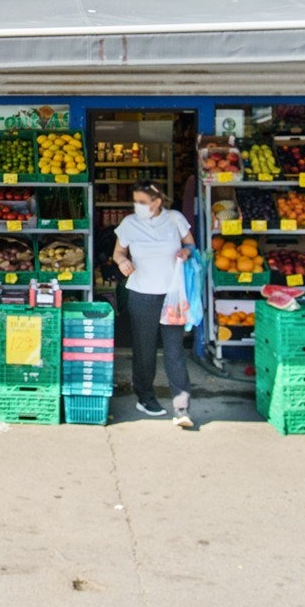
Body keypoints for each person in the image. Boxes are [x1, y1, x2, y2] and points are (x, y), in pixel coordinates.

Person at [112, 181, 195, 428]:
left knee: (174, 351)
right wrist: (121, 262)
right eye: (135, 202)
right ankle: (145, 398)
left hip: (173, 295)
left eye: (143, 202)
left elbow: (190, 244)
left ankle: (182, 408)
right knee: (144, 350)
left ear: (157, 202)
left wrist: (186, 252)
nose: (138, 206)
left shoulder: (174, 219)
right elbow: (118, 252)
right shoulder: (129, 224)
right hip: (141, 295)